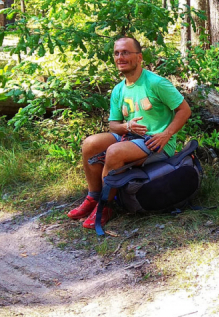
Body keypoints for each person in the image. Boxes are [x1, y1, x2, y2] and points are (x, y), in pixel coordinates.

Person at [67, 37, 192, 228]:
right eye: (117, 53)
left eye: (125, 52)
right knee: (90, 144)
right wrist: (128, 127)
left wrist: (166, 134)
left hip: (156, 142)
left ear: (139, 57)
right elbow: (113, 125)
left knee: (114, 152)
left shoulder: (156, 83)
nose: (120, 57)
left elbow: (184, 110)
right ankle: (93, 197)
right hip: (130, 136)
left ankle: (105, 206)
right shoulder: (119, 89)